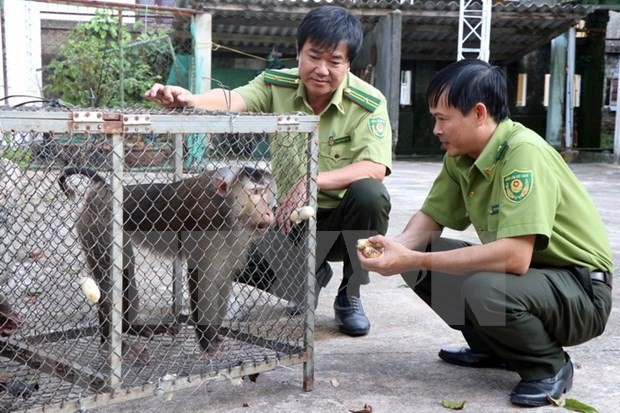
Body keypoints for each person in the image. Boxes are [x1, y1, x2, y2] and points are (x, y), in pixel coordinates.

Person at [358, 59, 613, 407]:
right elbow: (431, 217)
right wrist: (396, 250)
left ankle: (548, 366)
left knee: (483, 287)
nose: (436, 129)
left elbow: (514, 257)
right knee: (425, 259)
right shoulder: (462, 155)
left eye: (442, 118)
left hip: (581, 291)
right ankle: (495, 347)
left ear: (479, 114)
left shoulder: (523, 153)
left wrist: (416, 257)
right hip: (538, 281)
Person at [144, 6, 392, 337]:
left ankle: (350, 293)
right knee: (226, 256)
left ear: (348, 64)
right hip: (293, 222)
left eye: (334, 61)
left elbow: (375, 167)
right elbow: (235, 98)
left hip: (344, 222)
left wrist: (311, 181)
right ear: (298, 52)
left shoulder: (368, 101)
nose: (321, 69)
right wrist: (191, 99)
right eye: (313, 56)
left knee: (369, 194)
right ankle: (308, 276)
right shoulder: (277, 84)